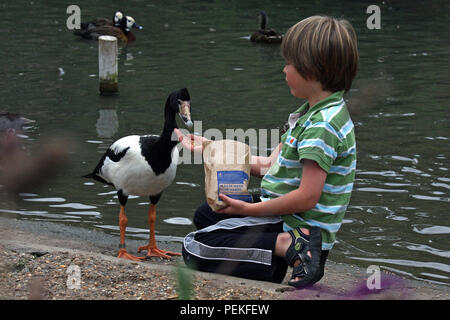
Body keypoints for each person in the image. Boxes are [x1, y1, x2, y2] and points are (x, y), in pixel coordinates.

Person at [175, 15, 359, 288]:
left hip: (296, 222)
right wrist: (211, 148)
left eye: (289, 64)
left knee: (194, 247)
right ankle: (274, 258)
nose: (284, 70)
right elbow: (271, 167)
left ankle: (289, 246)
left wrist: (251, 208)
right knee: (208, 214)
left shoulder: (322, 126)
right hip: (288, 213)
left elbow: (307, 197)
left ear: (313, 69)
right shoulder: (313, 113)